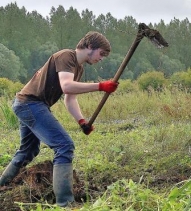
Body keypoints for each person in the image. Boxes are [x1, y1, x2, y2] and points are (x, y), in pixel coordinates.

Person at [0, 31, 119, 206]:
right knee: (64, 145)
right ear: (90, 47)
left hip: (27, 104)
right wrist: (100, 86)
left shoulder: (78, 67)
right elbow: (67, 86)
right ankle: (65, 204)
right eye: (101, 54)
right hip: (30, 104)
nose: (101, 58)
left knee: (28, 150)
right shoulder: (66, 56)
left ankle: (2, 184)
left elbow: (69, 97)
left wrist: (82, 122)